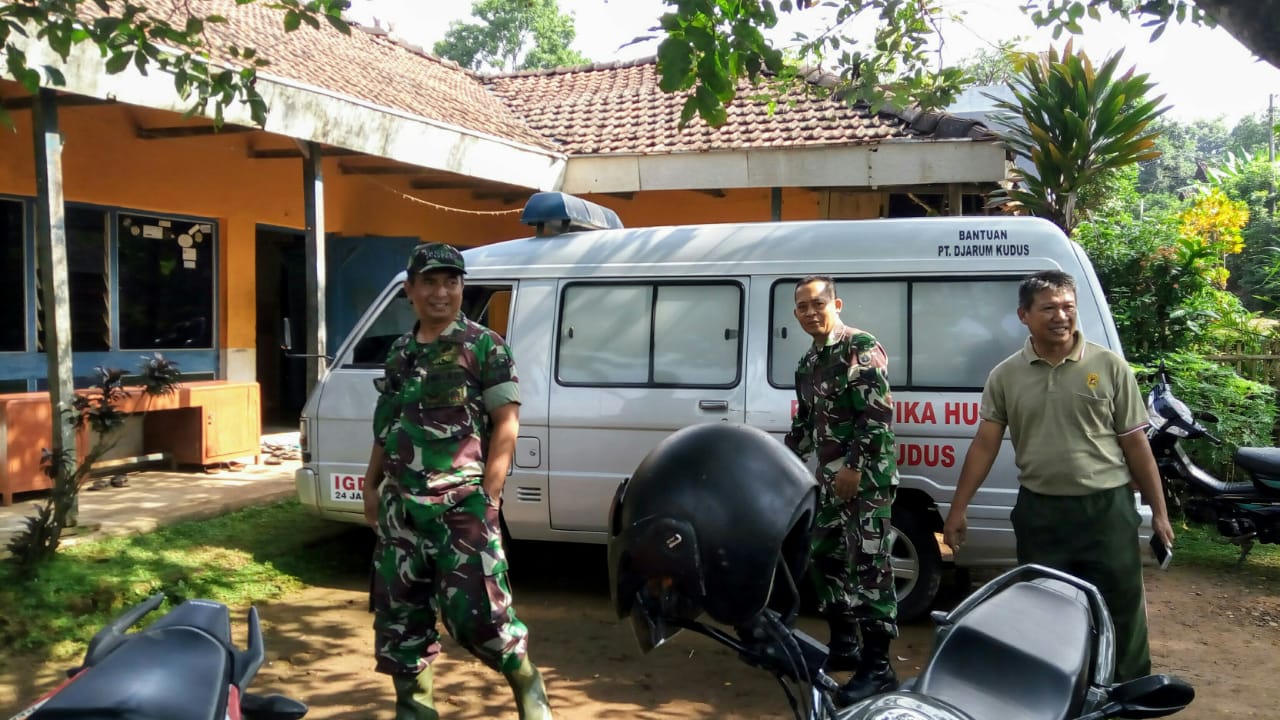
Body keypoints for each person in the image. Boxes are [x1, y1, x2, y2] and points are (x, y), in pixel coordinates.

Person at [942, 269, 1175, 682]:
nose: (1061, 316)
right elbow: (985, 444)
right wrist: (958, 509)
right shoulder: (1005, 375)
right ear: (1024, 315)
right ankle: (1050, 687)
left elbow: (1136, 445)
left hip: (1107, 510)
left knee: (1120, 604)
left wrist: (1159, 512)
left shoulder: (1109, 367)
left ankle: (1127, 692)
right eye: (1048, 308)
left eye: (1068, 307)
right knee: (1041, 606)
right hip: (1041, 512)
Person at [361, 242, 552, 720]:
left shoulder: (485, 346)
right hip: (400, 511)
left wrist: (489, 494)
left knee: (480, 620)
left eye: (451, 282)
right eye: (429, 282)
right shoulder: (400, 352)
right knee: (401, 623)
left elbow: (506, 423)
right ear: (410, 290)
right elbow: (387, 426)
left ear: (463, 288)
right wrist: (370, 485)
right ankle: (415, 711)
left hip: (460, 507)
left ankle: (530, 691)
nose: (440, 292)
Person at [784, 275, 899, 702]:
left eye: (818, 304)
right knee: (826, 560)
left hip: (866, 481)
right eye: (803, 307)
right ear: (796, 313)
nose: (811, 312)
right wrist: (780, 461)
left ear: (836, 304)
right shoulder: (808, 363)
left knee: (870, 569)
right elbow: (805, 425)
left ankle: (880, 669)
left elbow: (877, 415)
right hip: (830, 483)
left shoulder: (860, 347)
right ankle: (845, 647)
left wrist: (853, 467)